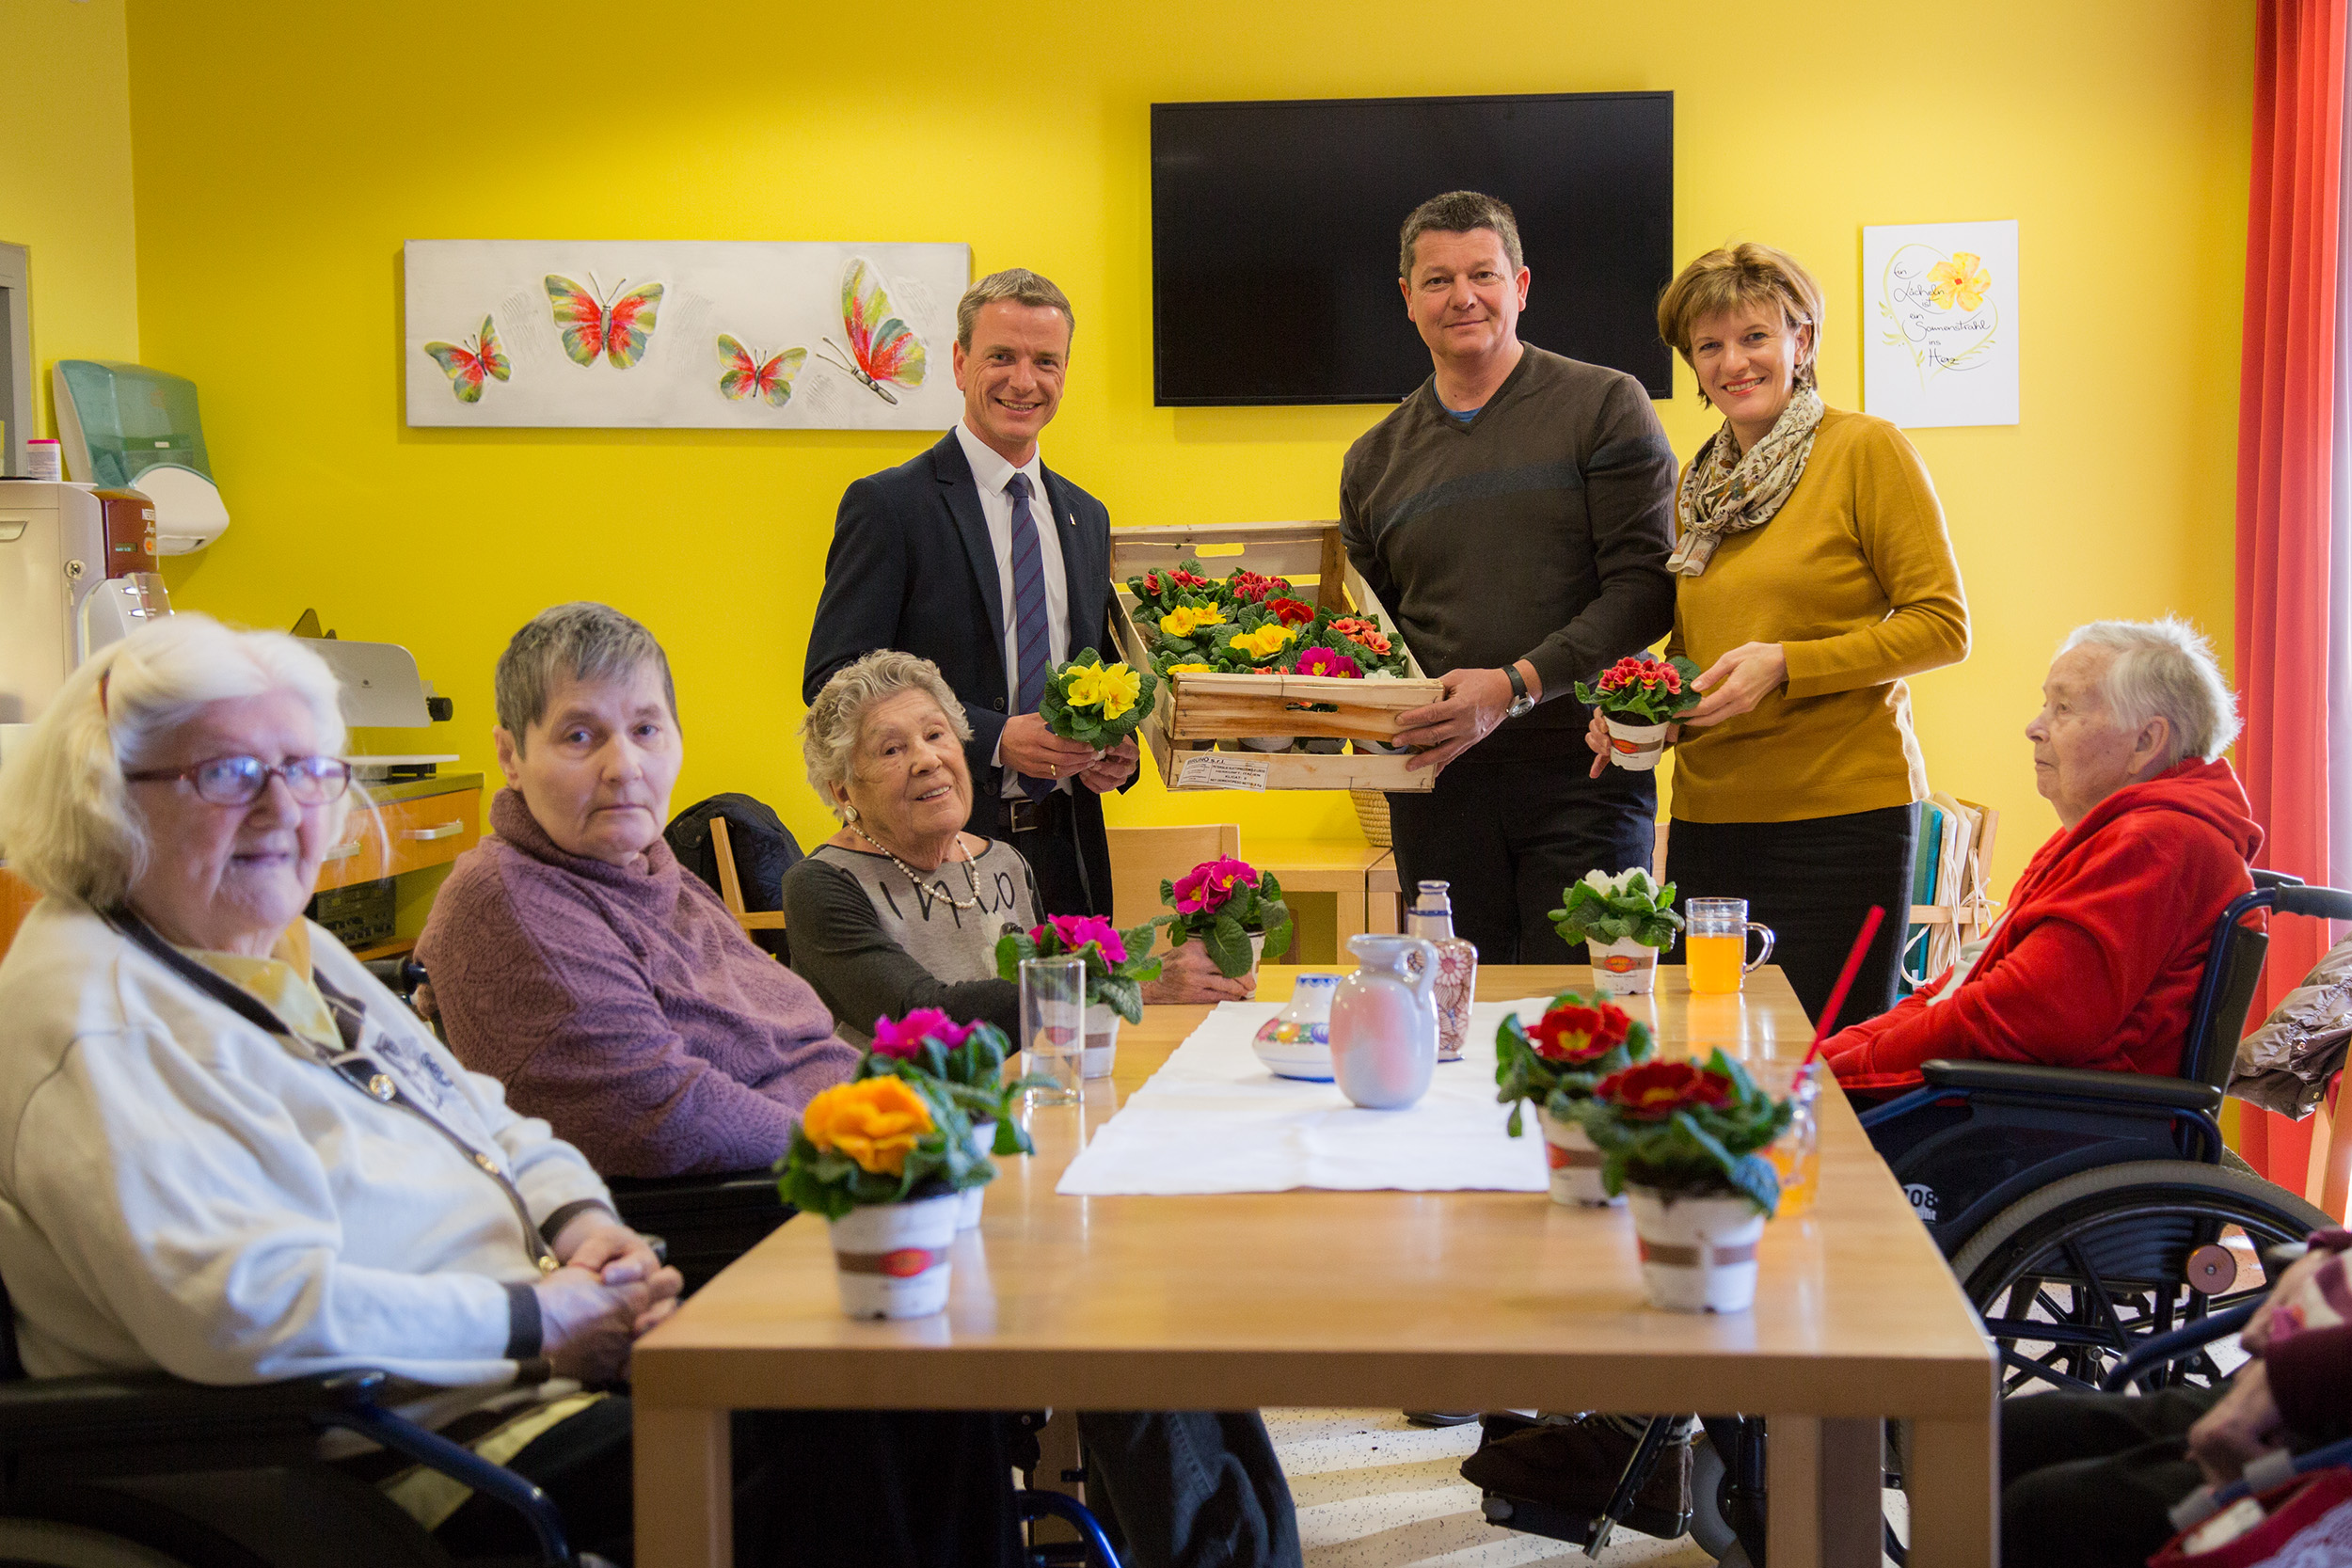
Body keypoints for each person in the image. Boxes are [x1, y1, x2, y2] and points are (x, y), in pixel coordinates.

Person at [0, 614, 1015, 1566]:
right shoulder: (97, 1011)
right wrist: (534, 1319)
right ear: (105, 792)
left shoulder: (281, 943)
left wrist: (581, 1224)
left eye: (310, 772)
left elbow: (483, 1112)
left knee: (923, 1390)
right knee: (859, 1431)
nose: (284, 811)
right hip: (380, 1447)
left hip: (513, 1368)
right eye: (228, 774)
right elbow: (241, 1310)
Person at [785, 650, 1303, 1568]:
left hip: (1035, 1151)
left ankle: (1223, 1540)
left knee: (1180, 1299)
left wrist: (1145, 975)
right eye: (890, 748)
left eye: (937, 734)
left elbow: (1051, 1019)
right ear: (840, 786)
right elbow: (923, 1013)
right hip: (920, 1178)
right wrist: (1135, 975)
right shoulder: (823, 885)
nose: (927, 759)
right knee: (1122, 1316)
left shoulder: (1008, 862)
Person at [1582, 242, 1969, 1023]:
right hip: (1709, 824)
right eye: (1710, 346)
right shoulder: (1703, 480)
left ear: (1803, 341)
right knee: (1718, 1050)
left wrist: (1786, 665)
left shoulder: (1865, 450)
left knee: (1829, 1067)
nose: (1735, 361)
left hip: (1841, 821)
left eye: (1755, 336)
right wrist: (1641, 708)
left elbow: (1942, 627)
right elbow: (1702, 645)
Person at [1341, 190, 1677, 964]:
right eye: (1437, 280)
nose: (1462, 296)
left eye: (1484, 274)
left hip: (1587, 771)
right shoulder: (1372, 460)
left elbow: (1643, 591)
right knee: (1455, 1022)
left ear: (1521, 287)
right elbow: (1374, 637)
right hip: (1436, 791)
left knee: (1588, 1020)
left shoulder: (1605, 406)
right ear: (1407, 299)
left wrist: (1515, 685)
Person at [418, 601, 858, 1177]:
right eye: (579, 736)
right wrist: (878, 1140)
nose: (624, 766)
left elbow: (798, 1036)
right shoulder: (507, 900)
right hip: (755, 1218)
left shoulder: (648, 867)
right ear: (511, 757)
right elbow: (662, 1113)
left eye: (646, 729)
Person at [803, 270, 1137, 929]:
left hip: (1070, 855)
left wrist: (1116, 751)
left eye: (1046, 361)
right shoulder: (890, 506)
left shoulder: (1086, 517)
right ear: (959, 363)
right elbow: (832, 682)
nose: (1024, 380)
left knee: (1076, 1028)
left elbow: (1096, 673)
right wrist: (991, 740)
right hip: (933, 856)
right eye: (1001, 357)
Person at [1824, 619, 2258, 1093]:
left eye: (2064, 708)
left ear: (2146, 741)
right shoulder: (2106, 831)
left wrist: (1829, 1074)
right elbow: (1959, 985)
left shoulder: (2159, 841)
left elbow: (2016, 1014)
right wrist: (1820, 1060)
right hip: (2005, 1097)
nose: (2034, 728)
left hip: (2047, 1115)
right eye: (2045, 705)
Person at [2002, 1229, 2352, 1567]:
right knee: (2014, 1431)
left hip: (2325, 1403)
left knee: (2044, 1513)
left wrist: (2297, 1367)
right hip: (2309, 1364)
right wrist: (2329, 1251)